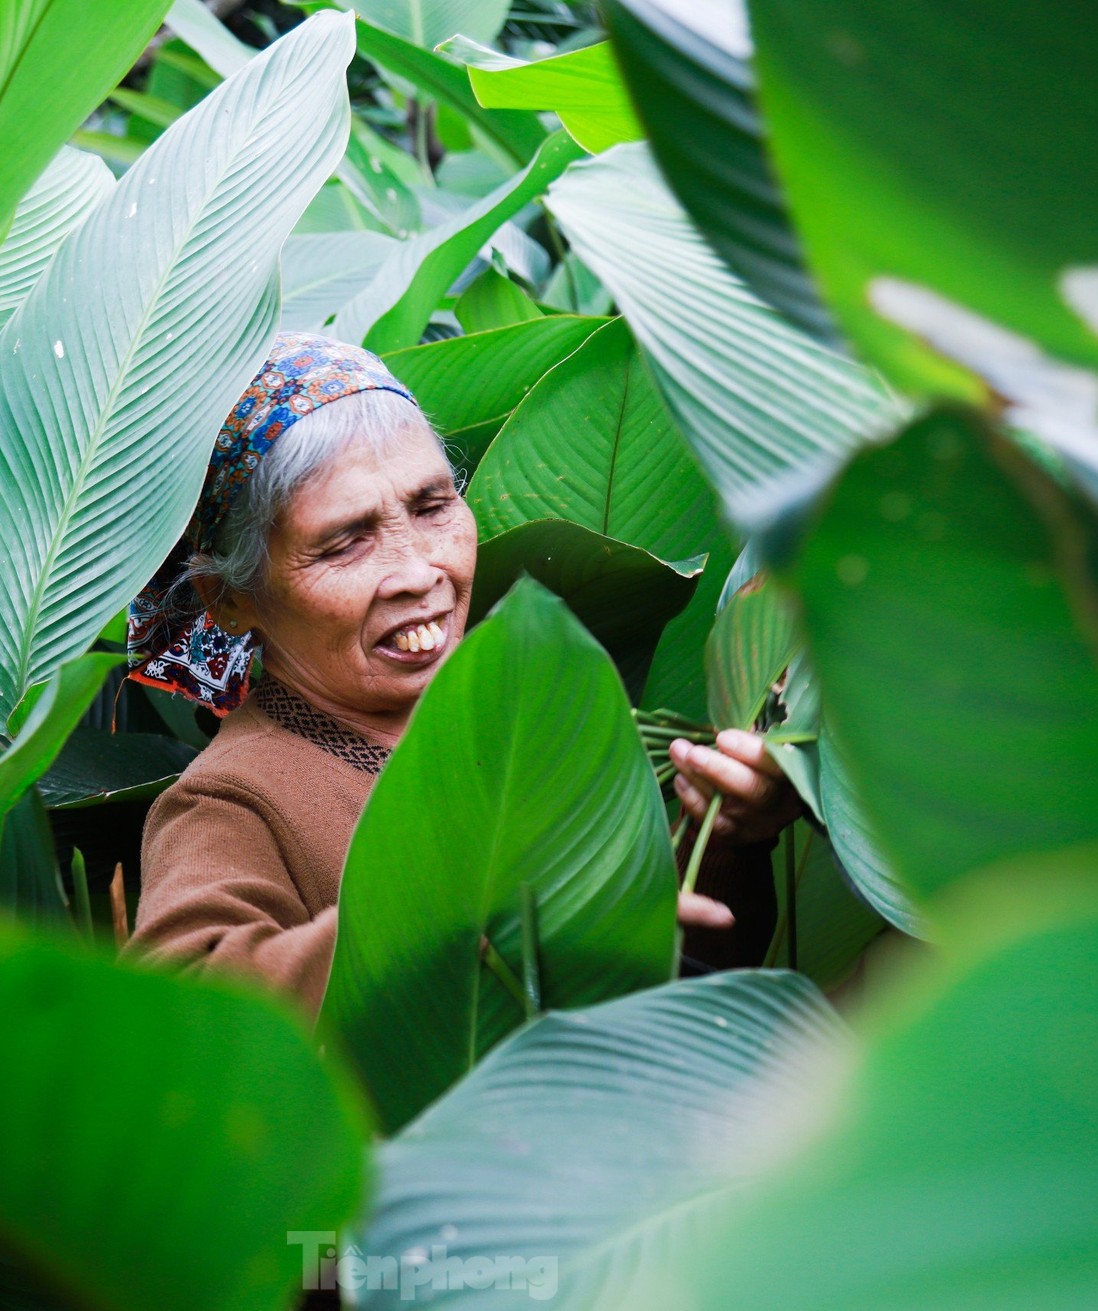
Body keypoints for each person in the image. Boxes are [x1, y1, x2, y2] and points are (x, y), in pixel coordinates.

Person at [124, 332, 798, 1013]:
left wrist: (731, 839)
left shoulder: (532, 720)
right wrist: (469, 911)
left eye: (432, 506)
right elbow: (181, 1013)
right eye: (345, 541)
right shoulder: (232, 800)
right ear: (231, 599)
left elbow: (691, 984)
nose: (420, 570)